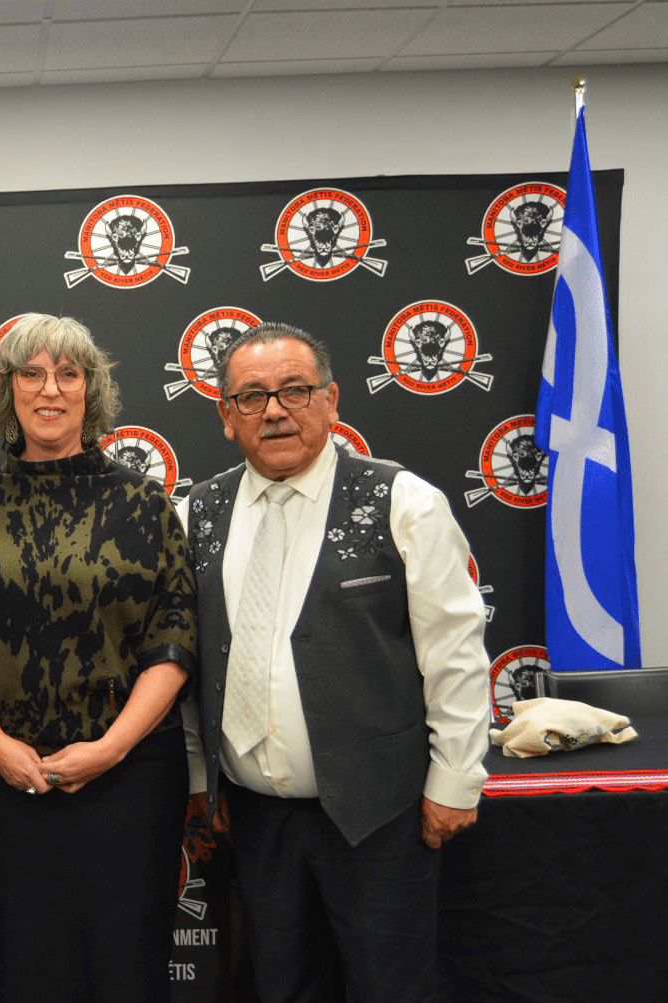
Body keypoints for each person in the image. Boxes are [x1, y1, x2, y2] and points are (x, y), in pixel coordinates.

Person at [181, 322, 490, 1003]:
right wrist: (204, 777)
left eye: (295, 390)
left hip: (381, 818)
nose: (274, 410)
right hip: (254, 817)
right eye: (252, 396)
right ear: (227, 416)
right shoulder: (196, 513)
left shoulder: (404, 501)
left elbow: (455, 649)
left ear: (331, 400)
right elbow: (191, 663)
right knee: (282, 989)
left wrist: (456, 778)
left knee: (390, 990)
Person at [0, 314, 195, 1003]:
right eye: (31, 373)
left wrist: (110, 748)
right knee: (22, 963)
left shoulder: (144, 504)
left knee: (125, 964)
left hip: (132, 777)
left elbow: (173, 640)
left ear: (91, 389)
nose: (49, 389)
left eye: (68, 374)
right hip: (11, 777)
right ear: (7, 391)